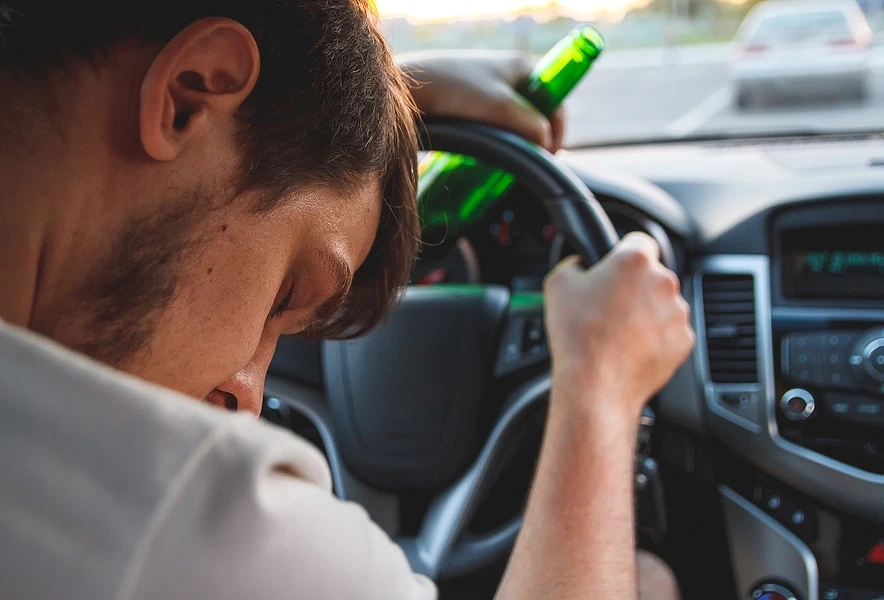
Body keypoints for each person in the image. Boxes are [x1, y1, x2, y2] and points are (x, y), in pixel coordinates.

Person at [0, 2, 694, 599]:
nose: (247, 395)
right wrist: (601, 384)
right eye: (287, 292)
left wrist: (380, 97)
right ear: (188, 92)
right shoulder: (186, 508)